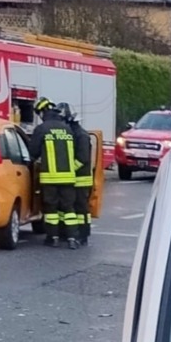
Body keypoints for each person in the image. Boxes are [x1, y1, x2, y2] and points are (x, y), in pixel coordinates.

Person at [29, 98, 86, 250]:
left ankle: (52, 238)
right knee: (69, 209)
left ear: (42, 112)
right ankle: (73, 239)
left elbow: (32, 152)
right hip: (68, 177)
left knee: (51, 209)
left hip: (50, 178)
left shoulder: (42, 129)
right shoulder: (67, 128)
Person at [59, 102, 94, 246]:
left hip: (81, 179)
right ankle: (68, 232)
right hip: (73, 178)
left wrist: (69, 170)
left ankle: (83, 234)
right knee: (69, 206)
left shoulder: (81, 136)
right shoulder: (72, 133)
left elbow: (82, 158)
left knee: (81, 209)